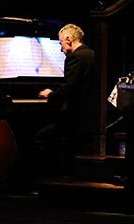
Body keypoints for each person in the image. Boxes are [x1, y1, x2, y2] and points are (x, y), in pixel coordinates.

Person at [34, 23, 98, 177]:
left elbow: (69, 88)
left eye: (60, 43)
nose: (60, 48)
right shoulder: (92, 54)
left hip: (77, 119)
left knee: (41, 138)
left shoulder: (75, 57)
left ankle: (50, 179)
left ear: (68, 39)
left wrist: (50, 94)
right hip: (90, 117)